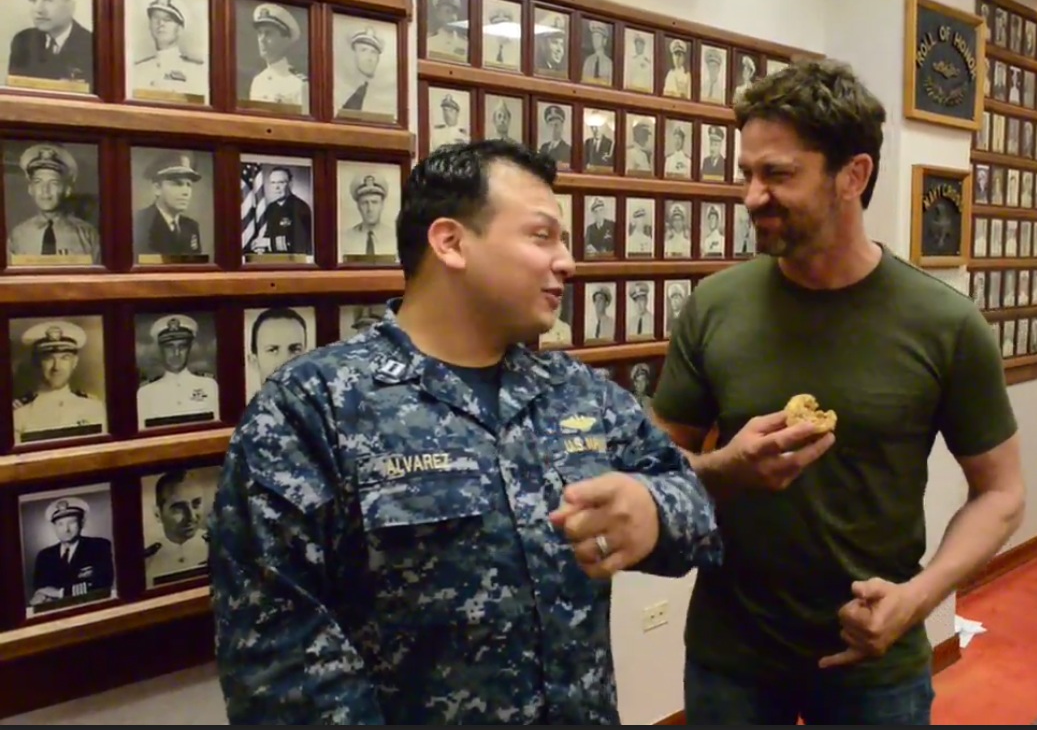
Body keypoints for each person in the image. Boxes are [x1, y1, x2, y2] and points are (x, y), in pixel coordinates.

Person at [208, 139, 720, 725]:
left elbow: (697, 515)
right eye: (542, 236)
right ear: (450, 242)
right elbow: (275, 656)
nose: (567, 262)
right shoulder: (315, 406)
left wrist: (653, 508)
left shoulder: (577, 392)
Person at [651, 59, 1027, 725]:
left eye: (778, 174)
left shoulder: (944, 323)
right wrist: (726, 468)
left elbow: (1001, 492)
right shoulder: (713, 305)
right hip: (731, 658)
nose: (752, 197)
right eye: (747, 173)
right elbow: (653, 466)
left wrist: (919, 596)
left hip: (876, 664)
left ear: (853, 175)